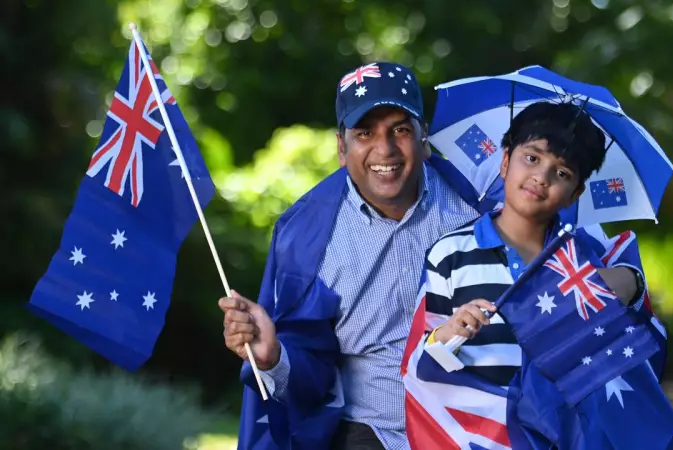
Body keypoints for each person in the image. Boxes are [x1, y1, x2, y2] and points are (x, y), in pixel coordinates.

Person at [218, 64, 642, 450]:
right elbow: (305, 356)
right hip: (373, 431)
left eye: (400, 130)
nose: (385, 150)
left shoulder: (480, 197)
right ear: (341, 147)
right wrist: (274, 357)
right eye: (364, 133)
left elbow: (579, 248)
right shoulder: (307, 236)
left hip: (485, 428)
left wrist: (629, 279)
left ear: (424, 138)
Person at [407, 101, 673, 449]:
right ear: (505, 159)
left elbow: (631, 347)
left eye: (563, 173)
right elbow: (419, 364)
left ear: (576, 193)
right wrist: (447, 334)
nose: (542, 177)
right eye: (532, 158)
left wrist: (629, 282)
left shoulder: (582, 257)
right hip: (483, 440)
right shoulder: (450, 254)